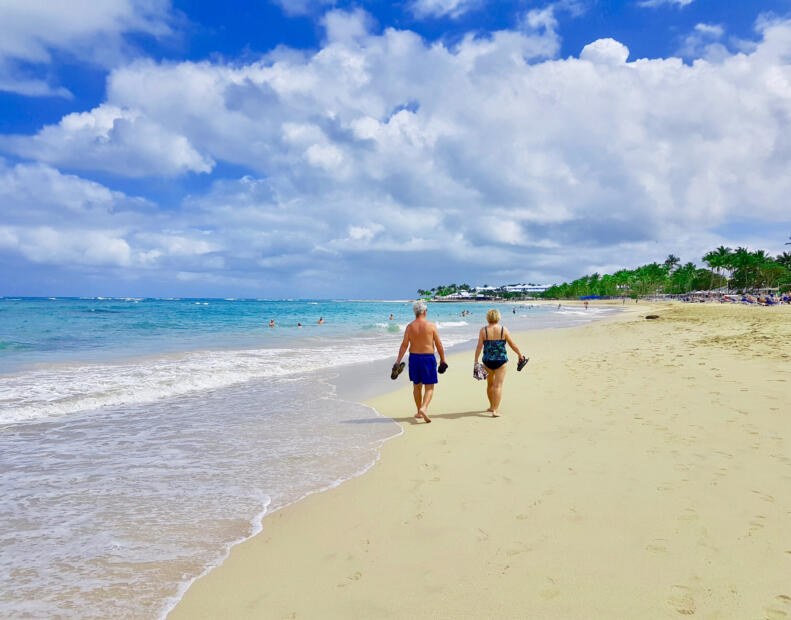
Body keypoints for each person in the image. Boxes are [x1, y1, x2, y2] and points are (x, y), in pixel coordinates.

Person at [394, 300, 447, 423]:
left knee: (417, 387)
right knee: (429, 387)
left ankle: (419, 411)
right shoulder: (431, 326)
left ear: (415, 312)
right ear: (424, 311)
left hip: (414, 358)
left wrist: (398, 361)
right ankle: (424, 408)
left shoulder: (410, 326)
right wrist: (443, 360)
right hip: (428, 358)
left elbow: (404, 345)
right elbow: (438, 344)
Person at [474, 309, 526, 418]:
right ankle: (495, 410)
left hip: (487, 361)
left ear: (488, 317)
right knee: (498, 386)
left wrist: (476, 360)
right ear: (498, 317)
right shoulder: (503, 329)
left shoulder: (483, 330)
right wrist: (519, 354)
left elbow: (479, 346)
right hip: (501, 361)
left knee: (489, 385)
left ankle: (492, 406)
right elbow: (512, 344)